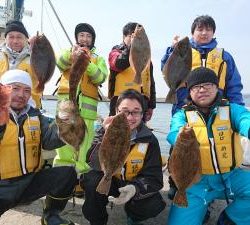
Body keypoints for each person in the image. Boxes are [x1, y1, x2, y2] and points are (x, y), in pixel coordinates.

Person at [167, 67, 250, 225]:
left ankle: (230, 219)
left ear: (216, 87)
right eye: (196, 87)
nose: (202, 89)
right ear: (190, 92)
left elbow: (245, 119)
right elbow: (173, 133)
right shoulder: (182, 115)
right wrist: (180, 136)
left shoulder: (232, 110)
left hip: (232, 176)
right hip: (197, 182)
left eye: (207, 85)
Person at [0, 69, 78, 225]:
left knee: (67, 173)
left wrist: (66, 124)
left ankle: (51, 215)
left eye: (27, 90)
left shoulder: (35, 115)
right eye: (15, 88)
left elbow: (49, 142)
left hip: (30, 182)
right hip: (2, 189)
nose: (21, 94)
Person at [81, 89, 166, 225]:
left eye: (136, 111)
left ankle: (134, 218)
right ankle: (97, 221)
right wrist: (104, 134)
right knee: (92, 181)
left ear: (142, 114)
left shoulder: (150, 140)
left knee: (152, 203)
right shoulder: (104, 130)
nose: (130, 117)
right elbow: (93, 163)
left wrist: (135, 189)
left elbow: (154, 177)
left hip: (133, 182)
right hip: (111, 179)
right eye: (125, 111)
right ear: (116, 111)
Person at [161, 15, 244, 115]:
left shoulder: (225, 57)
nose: (204, 33)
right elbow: (166, 68)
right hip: (184, 106)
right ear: (193, 33)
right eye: (200, 29)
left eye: (208, 29)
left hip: (217, 110)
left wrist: (238, 112)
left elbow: (234, 86)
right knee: (180, 130)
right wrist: (173, 50)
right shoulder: (181, 51)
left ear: (213, 33)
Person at [53, 23, 108, 175]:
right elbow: (59, 64)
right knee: (63, 143)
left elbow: (101, 77)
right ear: (76, 37)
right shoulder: (67, 52)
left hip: (87, 112)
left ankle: (80, 179)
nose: (85, 39)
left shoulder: (98, 59)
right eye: (81, 35)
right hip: (66, 109)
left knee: (84, 145)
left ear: (93, 40)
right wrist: (72, 55)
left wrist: (87, 62)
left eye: (89, 36)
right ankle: (61, 177)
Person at [108, 22, 156, 122]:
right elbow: (118, 64)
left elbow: (150, 82)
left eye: (138, 37)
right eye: (131, 36)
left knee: (138, 134)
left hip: (140, 102)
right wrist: (132, 47)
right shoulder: (115, 52)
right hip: (119, 101)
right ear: (124, 37)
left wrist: (151, 106)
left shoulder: (147, 58)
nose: (134, 39)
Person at [0, 20, 42, 108]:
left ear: (26, 39)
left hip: (30, 108)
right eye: (11, 37)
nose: (15, 41)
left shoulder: (36, 56)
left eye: (19, 37)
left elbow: (50, 62)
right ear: (5, 38)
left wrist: (39, 46)